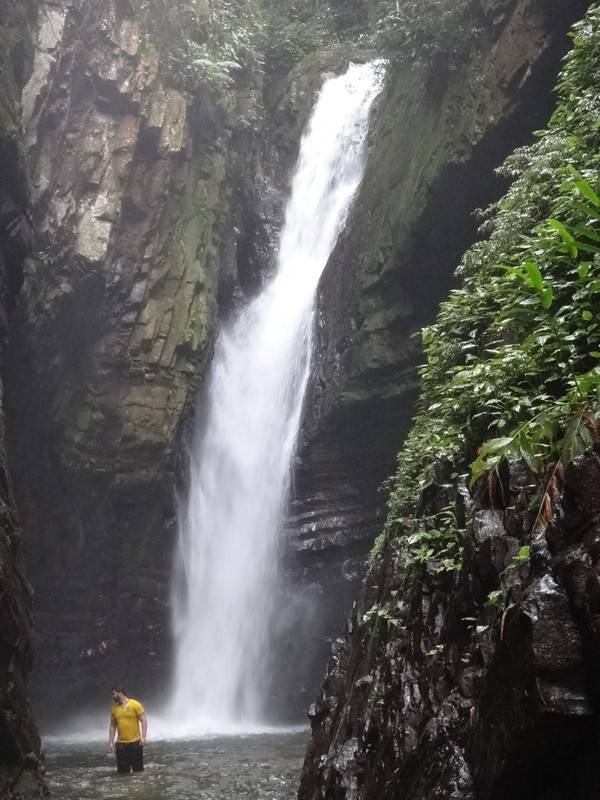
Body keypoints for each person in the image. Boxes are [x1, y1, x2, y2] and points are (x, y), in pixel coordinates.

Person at [108, 685, 147, 774]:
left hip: (135, 743)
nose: (112, 696)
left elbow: (144, 720)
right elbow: (112, 726)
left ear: (119, 693)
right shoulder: (114, 709)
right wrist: (110, 742)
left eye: (114, 694)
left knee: (138, 771)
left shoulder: (135, 704)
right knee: (122, 773)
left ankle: (137, 787)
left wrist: (143, 737)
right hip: (121, 745)